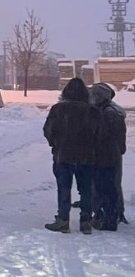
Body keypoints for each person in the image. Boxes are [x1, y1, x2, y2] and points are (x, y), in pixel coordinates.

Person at [43, 78, 99, 234]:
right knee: (86, 189)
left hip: (63, 155)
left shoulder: (58, 109)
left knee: (64, 188)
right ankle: (86, 221)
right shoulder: (93, 111)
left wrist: (56, 144)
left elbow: (48, 131)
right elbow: (100, 134)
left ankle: (63, 220)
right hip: (87, 156)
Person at [89, 82, 126, 231]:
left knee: (104, 188)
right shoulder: (111, 111)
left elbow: (102, 136)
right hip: (112, 156)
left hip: (104, 157)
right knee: (110, 187)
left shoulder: (107, 113)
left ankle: (107, 219)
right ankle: (111, 216)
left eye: (94, 95)